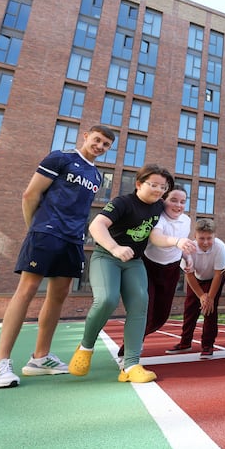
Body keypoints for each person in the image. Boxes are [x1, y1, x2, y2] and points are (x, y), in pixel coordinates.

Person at [0, 125, 115, 389]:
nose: (100, 146)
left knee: (59, 294)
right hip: (46, 233)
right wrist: (35, 228)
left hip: (73, 239)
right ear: (86, 136)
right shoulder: (60, 158)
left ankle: (40, 358)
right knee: (28, 288)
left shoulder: (97, 176)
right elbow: (30, 194)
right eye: (97, 140)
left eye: (106, 144)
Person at [68, 164, 174, 383]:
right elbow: (96, 226)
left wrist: (178, 241)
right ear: (138, 184)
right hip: (106, 257)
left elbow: (156, 232)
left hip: (134, 262)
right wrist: (115, 247)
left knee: (140, 303)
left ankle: (131, 364)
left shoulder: (158, 206)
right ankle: (86, 347)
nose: (158, 190)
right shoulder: (122, 203)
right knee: (107, 299)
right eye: (153, 185)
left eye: (162, 187)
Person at [131, 183, 195, 354]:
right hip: (148, 268)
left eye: (182, 202)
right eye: (173, 200)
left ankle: (135, 338)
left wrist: (187, 257)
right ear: (163, 200)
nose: (178, 206)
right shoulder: (157, 216)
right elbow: (157, 238)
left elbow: (182, 245)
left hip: (171, 270)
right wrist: (177, 241)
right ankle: (130, 349)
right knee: (146, 311)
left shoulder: (186, 220)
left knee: (161, 317)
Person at [165, 219, 225, 359]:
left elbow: (218, 275)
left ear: (214, 236)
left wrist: (209, 298)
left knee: (209, 310)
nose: (205, 242)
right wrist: (201, 296)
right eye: (201, 238)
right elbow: (189, 275)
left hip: (214, 279)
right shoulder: (189, 249)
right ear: (195, 236)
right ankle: (185, 342)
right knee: (190, 310)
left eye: (209, 238)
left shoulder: (220, 247)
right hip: (196, 279)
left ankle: (207, 345)